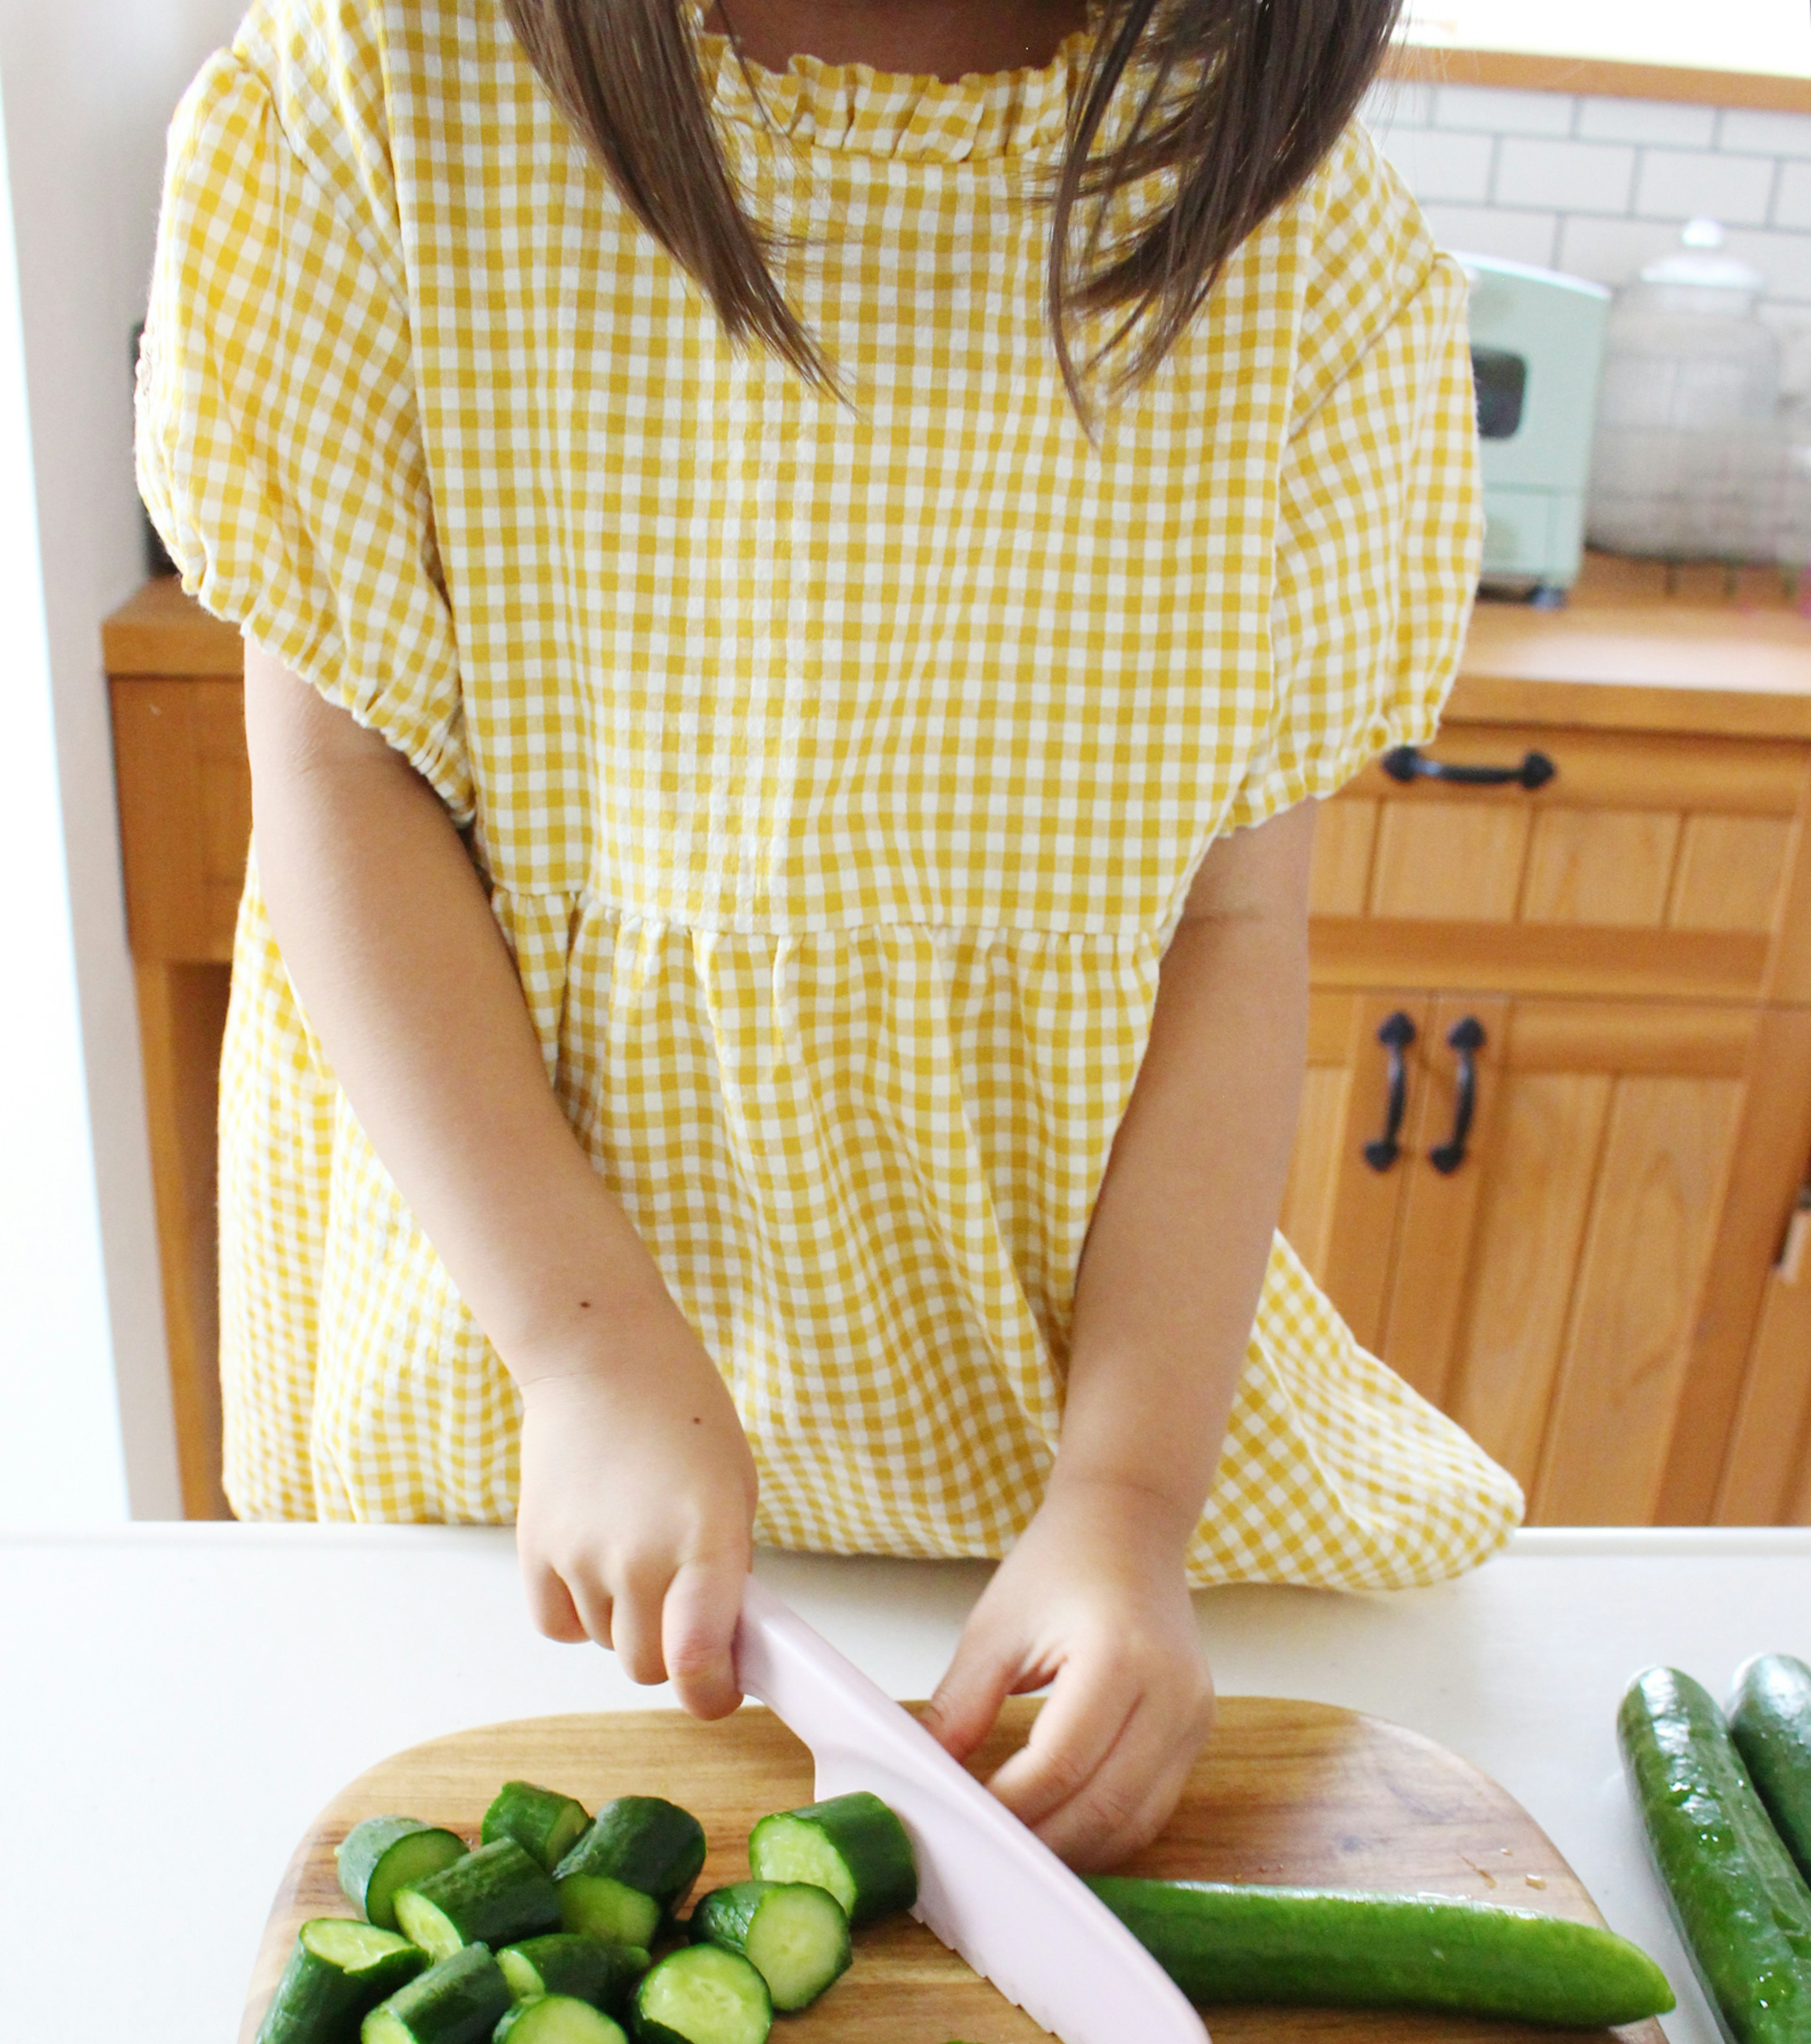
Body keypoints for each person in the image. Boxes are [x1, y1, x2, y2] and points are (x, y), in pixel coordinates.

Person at [137, 0, 1521, 1868]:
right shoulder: (385, 98)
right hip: (500, 1442)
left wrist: (1122, 1503)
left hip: (1029, 1518)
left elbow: (1235, 922)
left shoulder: (1313, 255)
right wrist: (592, 1356)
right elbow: (340, 787)